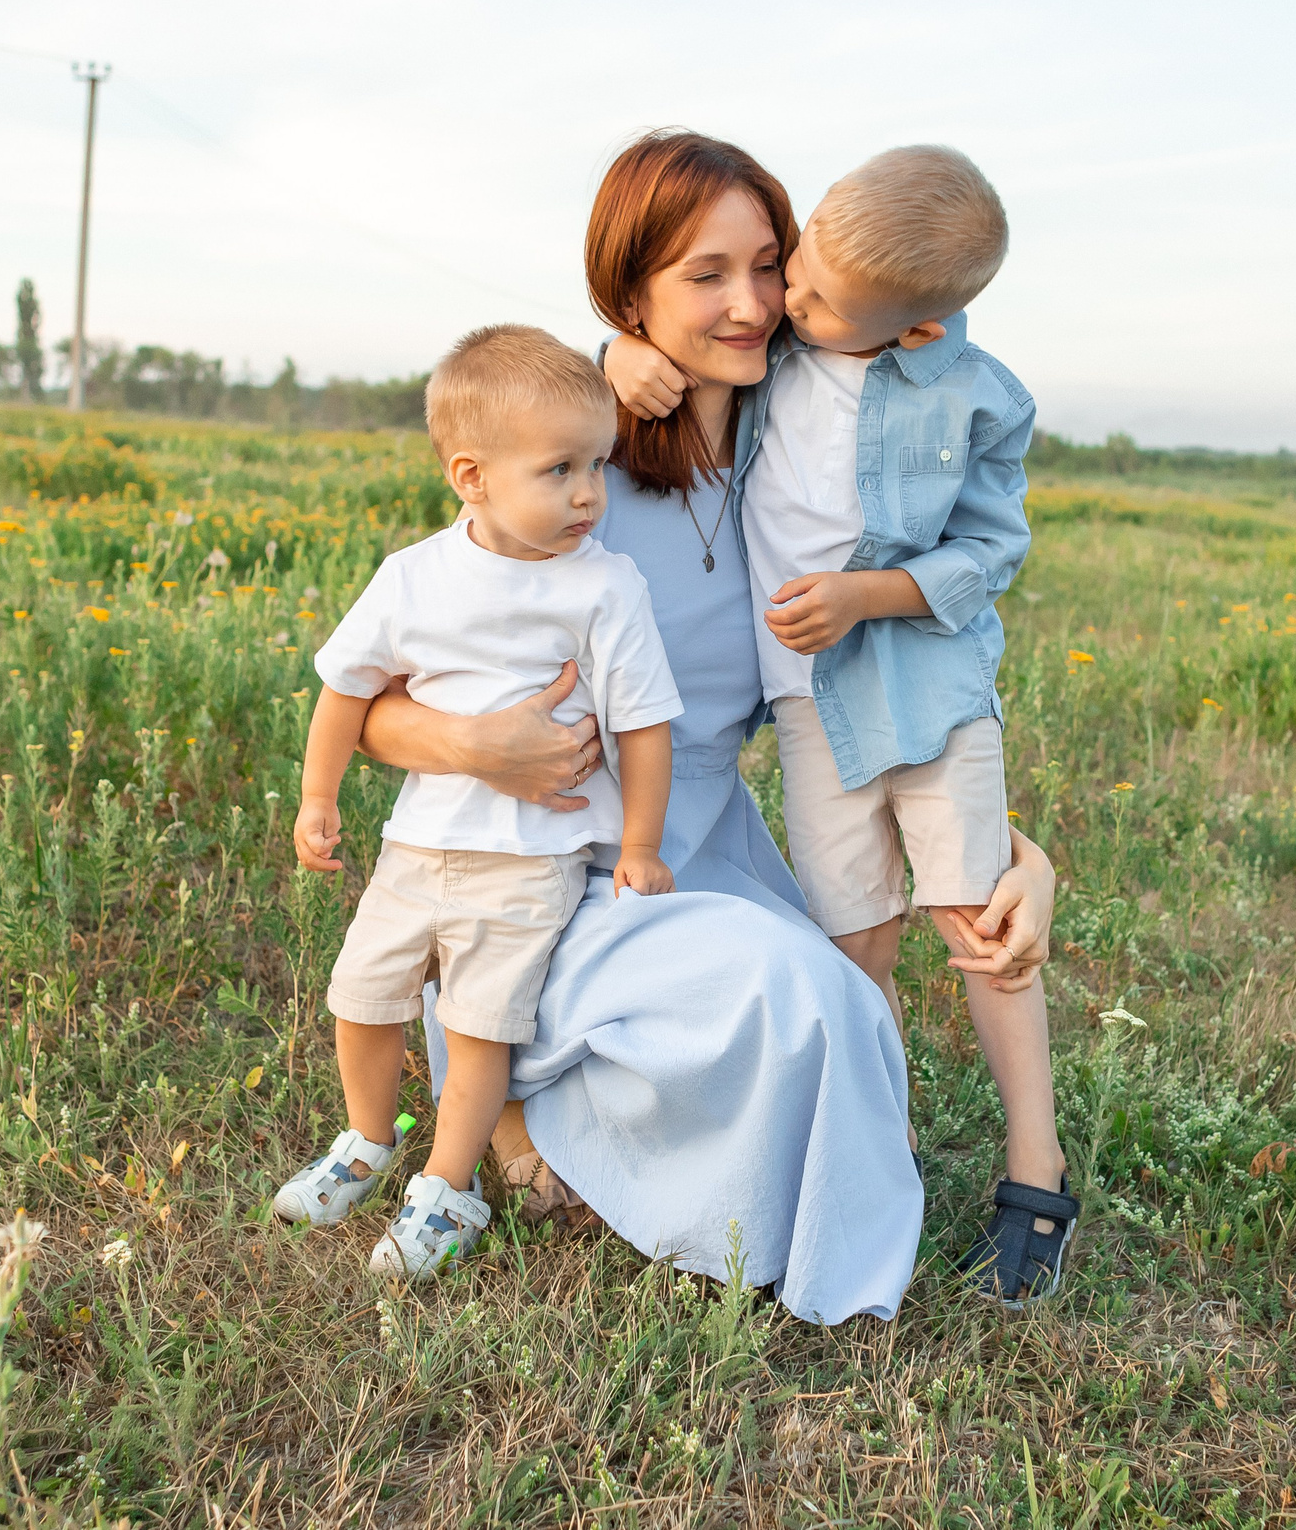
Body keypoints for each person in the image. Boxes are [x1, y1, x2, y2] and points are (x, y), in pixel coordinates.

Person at [346, 130, 1058, 1324]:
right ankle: (529, 1111)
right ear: (630, 296)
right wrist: (476, 746)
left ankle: (663, 1158)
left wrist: (1018, 858)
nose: (749, 304)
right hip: (544, 864)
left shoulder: (805, 435)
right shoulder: (570, 454)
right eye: (701, 275)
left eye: (766, 266)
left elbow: (882, 698)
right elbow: (372, 709)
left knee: (829, 999)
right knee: (812, 998)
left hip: (705, 841)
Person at [605, 144, 1072, 1305]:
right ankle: (881, 1150)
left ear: (914, 328)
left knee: (975, 917)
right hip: (810, 712)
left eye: (802, 293)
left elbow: (990, 551)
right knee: (850, 933)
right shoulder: (777, 363)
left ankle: (1037, 1167)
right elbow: (669, 344)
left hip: (923, 690)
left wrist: (870, 595)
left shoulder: (972, 395)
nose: (777, 306)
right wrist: (619, 352)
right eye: (788, 272)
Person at [277, 325, 683, 1281]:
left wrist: (641, 841)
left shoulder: (605, 587)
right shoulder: (414, 575)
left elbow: (646, 724)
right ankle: (367, 1139)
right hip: (417, 842)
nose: (590, 493)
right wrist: (316, 796)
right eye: (560, 470)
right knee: (362, 996)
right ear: (473, 475)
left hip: (528, 859)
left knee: (478, 1029)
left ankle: (448, 1188)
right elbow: (347, 687)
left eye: (598, 466)